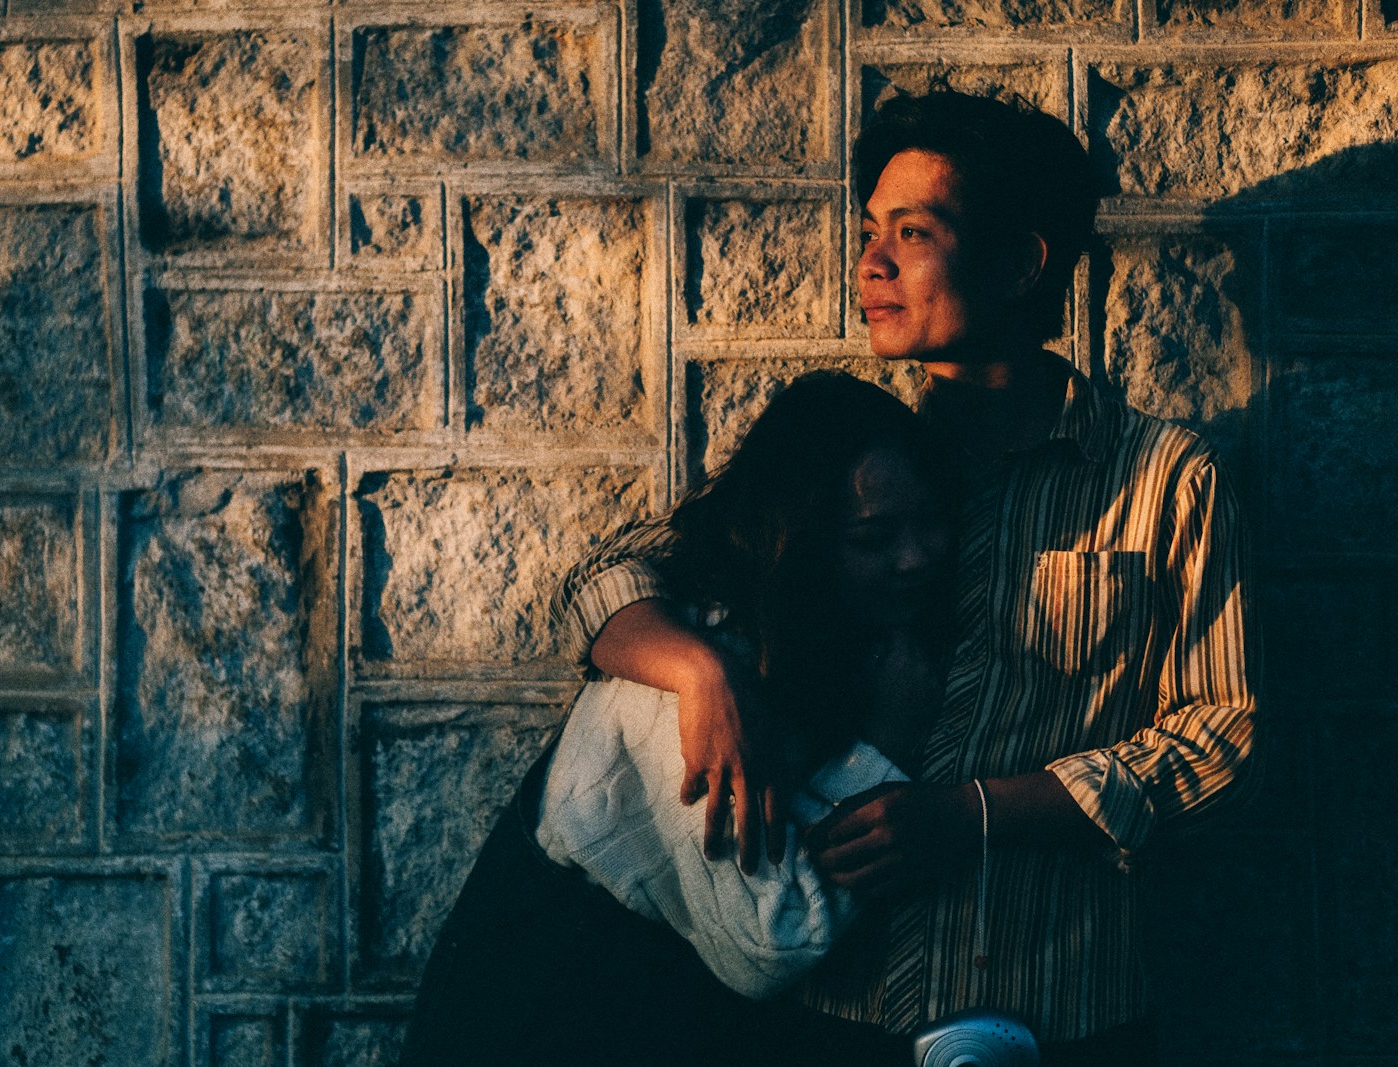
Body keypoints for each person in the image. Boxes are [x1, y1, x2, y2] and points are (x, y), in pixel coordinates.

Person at [551, 90, 1257, 1063]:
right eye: (870, 229)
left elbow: (1222, 732)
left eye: (913, 231)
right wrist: (698, 673)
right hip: (833, 1005)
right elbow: (604, 578)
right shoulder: (850, 461)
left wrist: (972, 815)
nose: (871, 261)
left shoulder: (1166, 477)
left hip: (1061, 1003)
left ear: (1020, 263)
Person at [401, 372, 958, 1067]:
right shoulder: (687, 687)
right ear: (802, 538)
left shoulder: (806, 631)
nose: (918, 557)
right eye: (875, 537)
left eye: (930, 521)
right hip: (540, 1028)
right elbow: (771, 937)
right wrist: (888, 739)